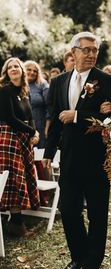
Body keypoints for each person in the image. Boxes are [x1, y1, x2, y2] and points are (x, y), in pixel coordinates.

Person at [43, 32, 111, 269]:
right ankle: (79, 256)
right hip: (69, 159)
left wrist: (78, 115)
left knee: (97, 215)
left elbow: (110, 121)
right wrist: (48, 153)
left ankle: (90, 268)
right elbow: (53, 118)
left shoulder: (106, 80)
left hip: (96, 160)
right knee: (69, 210)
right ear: (72, 52)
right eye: (85, 50)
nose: (91, 54)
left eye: (94, 50)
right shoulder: (59, 81)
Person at [0, 57, 40, 236]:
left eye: (17, 66)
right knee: (13, 179)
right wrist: (32, 132)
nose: (14, 69)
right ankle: (16, 223)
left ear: (22, 70)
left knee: (21, 176)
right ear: (7, 73)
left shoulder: (24, 92)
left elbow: (30, 116)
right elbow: (9, 118)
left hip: (23, 137)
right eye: (10, 68)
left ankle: (15, 222)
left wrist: (35, 132)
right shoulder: (5, 90)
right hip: (8, 137)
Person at [25, 60, 50, 205]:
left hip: (40, 126)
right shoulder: (19, 85)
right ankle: (30, 194)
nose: (32, 73)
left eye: (35, 70)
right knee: (28, 160)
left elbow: (50, 108)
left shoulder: (43, 85)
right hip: (24, 127)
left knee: (42, 160)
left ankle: (46, 194)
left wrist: (47, 128)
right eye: (28, 69)